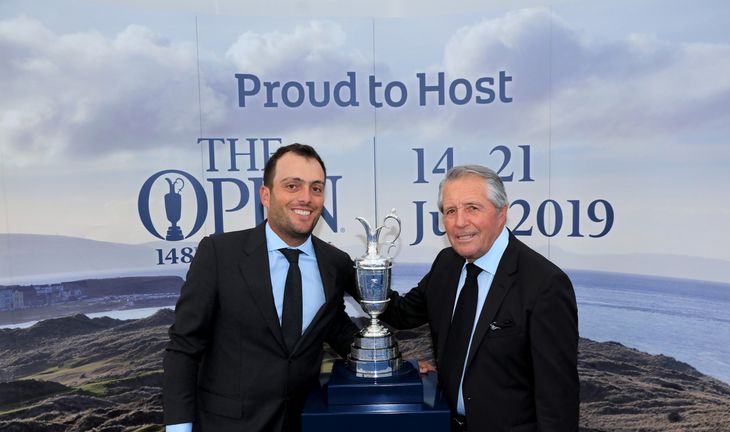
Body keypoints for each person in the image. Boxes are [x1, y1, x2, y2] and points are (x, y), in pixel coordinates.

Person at [163, 143, 359, 432]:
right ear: (265, 195)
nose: (306, 198)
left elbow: (335, 327)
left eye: (316, 189)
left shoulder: (335, 262)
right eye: (293, 186)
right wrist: (179, 428)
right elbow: (184, 348)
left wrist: (393, 362)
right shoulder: (219, 254)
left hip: (303, 423)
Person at [380, 165, 579, 432]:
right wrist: (347, 270)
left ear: (501, 213)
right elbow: (402, 313)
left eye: (472, 208)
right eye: (450, 211)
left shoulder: (545, 284)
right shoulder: (446, 264)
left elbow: (558, 400)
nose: (460, 222)